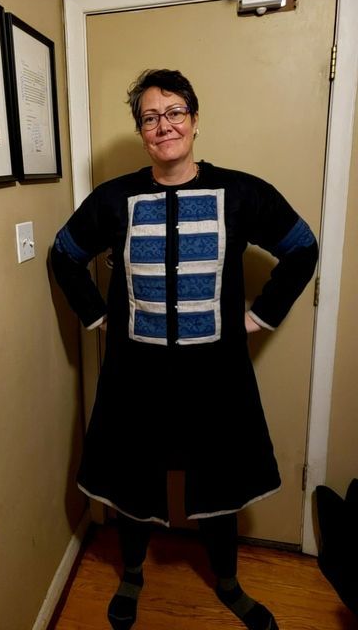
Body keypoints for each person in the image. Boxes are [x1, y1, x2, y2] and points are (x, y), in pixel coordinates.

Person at [51, 69, 318, 630]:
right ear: (141, 131)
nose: (163, 126)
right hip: (135, 375)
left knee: (218, 478)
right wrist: (100, 316)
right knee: (132, 479)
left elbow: (302, 248)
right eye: (150, 117)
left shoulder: (242, 193)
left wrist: (260, 316)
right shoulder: (114, 199)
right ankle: (131, 575)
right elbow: (64, 254)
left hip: (216, 375)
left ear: (195, 120)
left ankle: (228, 582)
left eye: (174, 112)